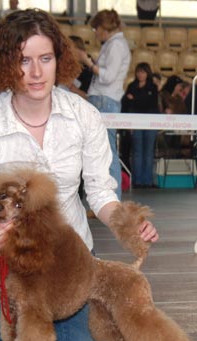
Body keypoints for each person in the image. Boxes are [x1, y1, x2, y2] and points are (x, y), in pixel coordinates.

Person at [0, 9, 158, 341]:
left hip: (70, 254)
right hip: (10, 257)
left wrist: (130, 224)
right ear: (7, 64)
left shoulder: (84, 116)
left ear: (59, 60)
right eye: (24, 60)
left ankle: (0, 319)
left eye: (45, 58)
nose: (36, 73)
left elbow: (100, 192)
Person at [77, 9, 131, 200]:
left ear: (103, 27)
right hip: (102, 99)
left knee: (107, 152)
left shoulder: (116, 45)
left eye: (96, 29)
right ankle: (103, 199)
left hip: (105, 100)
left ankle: (113, 198)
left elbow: (108, 77)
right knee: (100, 151)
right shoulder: (112, 44)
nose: (95, 33)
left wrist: (88, 62)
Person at [122, 62, 159, 188]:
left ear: (147, 73)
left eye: (143, 72)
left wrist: (135, 98)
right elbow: (126, 103)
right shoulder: (131, 86)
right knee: (137, 152)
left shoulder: (152, 87)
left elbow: (151, 104)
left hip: (150, 122)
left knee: (148, 152)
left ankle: (147, 181)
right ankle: (137, 181)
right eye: (138, 72)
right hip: (135, 121)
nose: (140, 74)